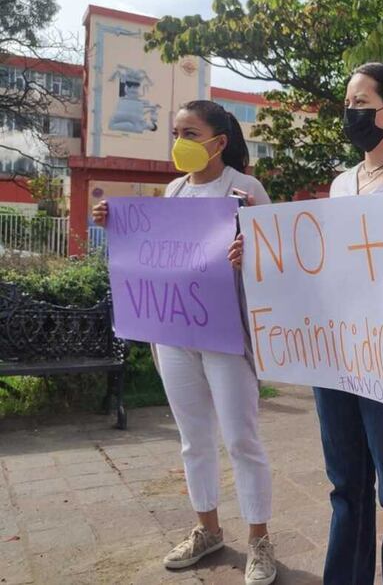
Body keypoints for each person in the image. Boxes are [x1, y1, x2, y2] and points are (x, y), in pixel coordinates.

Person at [230, 61, 383, 585]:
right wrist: (262, 260)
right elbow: (321, 269)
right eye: (347, 103)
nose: (350, 112)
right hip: (337, 361)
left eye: (362, 102)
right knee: (346, 489)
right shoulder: (342, 184)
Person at [93, 100, 277, 585]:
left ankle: (259, 539)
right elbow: (158, 251)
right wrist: (114, 222)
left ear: (219, 142)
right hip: (175, 334)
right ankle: (207, 529)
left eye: (190, 133)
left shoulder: (245, 189)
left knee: (241, 439)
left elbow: (278, 260)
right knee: (193, 439)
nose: (180, 142)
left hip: (227, 336)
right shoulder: (173, 190)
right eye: (175, 132)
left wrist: (253, 250)